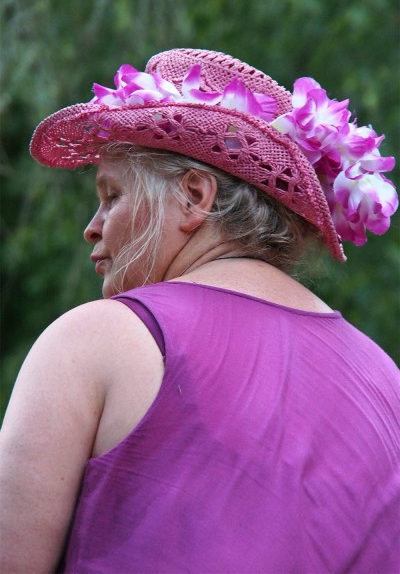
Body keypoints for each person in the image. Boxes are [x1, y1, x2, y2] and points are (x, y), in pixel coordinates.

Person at [0, 48, 399, 574]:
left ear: (194, 196)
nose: (92, 227)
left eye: (112, 194)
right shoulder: (385, 381)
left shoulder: (101, 340)